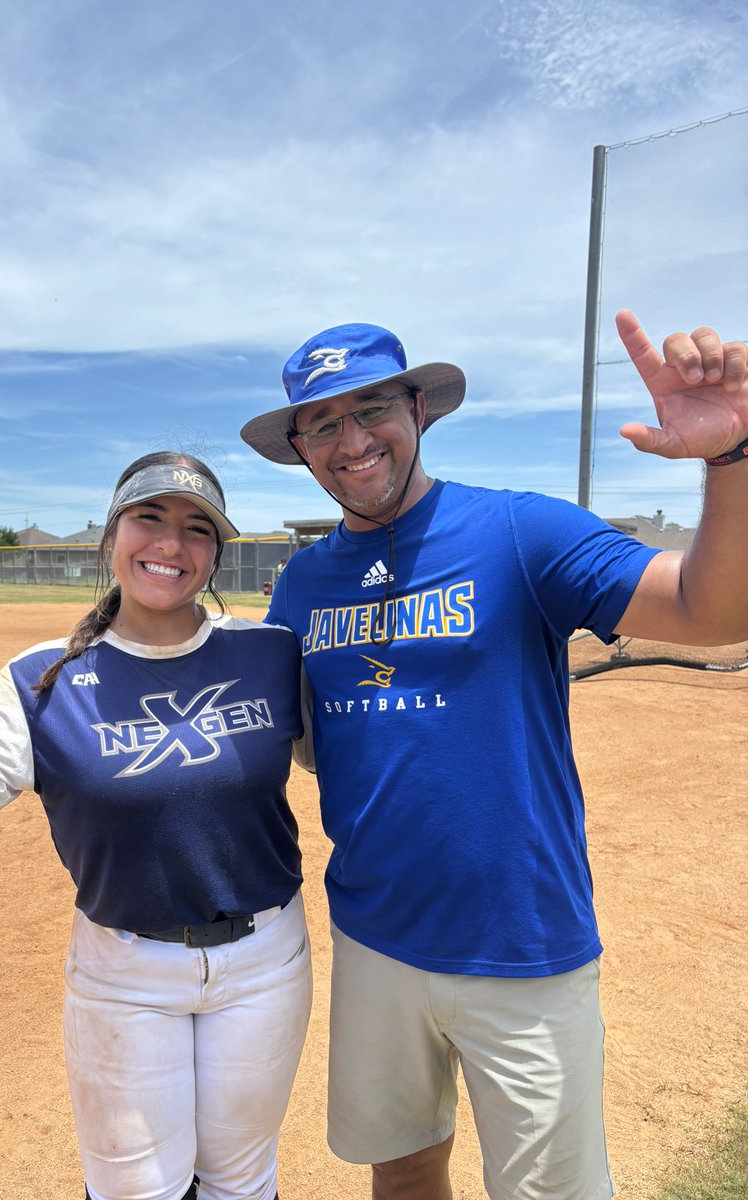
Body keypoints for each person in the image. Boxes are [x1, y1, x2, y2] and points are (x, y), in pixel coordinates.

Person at [239, 314, 748, 1200]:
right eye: (323, 424)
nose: (352, 441)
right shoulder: (302, 585)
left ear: (418, 410)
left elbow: (711, 615)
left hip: (523, 939)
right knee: (402, 1169)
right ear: (300, 448)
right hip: (374, 936)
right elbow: (309, 742)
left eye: (372, 409)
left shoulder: (520, 532)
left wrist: (732, 458)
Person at [0, 451, 313, 1200]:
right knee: (136, 1190)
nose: (170, 543)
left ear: (217, 553)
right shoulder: (45, 680)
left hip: (266, 961)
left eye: (197, 528)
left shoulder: (270, 654)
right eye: (149, 518)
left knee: (242, 1181)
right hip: (125, 973)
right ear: (112, 536)